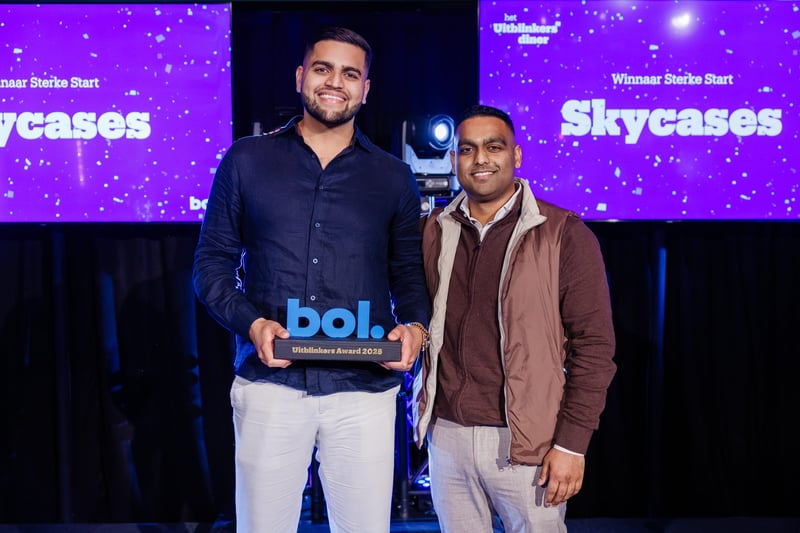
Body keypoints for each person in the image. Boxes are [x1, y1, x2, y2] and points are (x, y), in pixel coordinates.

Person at [193, 27, 430, 533]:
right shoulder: (246, 159)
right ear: (302, 77)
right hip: (270, 385)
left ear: (366, 89)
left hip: (364, 390)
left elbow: (408, 272)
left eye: (350, 73)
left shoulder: (392, 176)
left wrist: (415, 328)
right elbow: (211, 266)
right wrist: (253, 324)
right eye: (323, 69)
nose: (335, 83)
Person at [412, 105, 616, 532]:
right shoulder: (431, 229)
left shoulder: (563, 232)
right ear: (453, 161)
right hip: (447, 435)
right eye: (467, 149)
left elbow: (594, 349)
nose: (480, 159)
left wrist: (572, 445)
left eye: (494, 147)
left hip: (527, 443)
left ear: (517, 155)